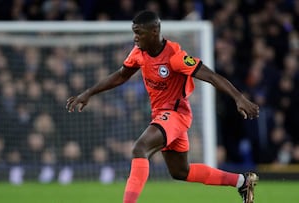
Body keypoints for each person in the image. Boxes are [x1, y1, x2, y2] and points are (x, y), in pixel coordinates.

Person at [66, 10, 259, 203]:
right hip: (162, 116)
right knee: (181, 172)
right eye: (134, 32)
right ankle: (242, 181)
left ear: (154, 31)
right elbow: (121, 75)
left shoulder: (175, 56)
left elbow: (211, 76)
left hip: (176, 114)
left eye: (138, 32)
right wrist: (89, 92)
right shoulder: (139, 53)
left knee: (139, 148)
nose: (135, 37)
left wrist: (238, 98)